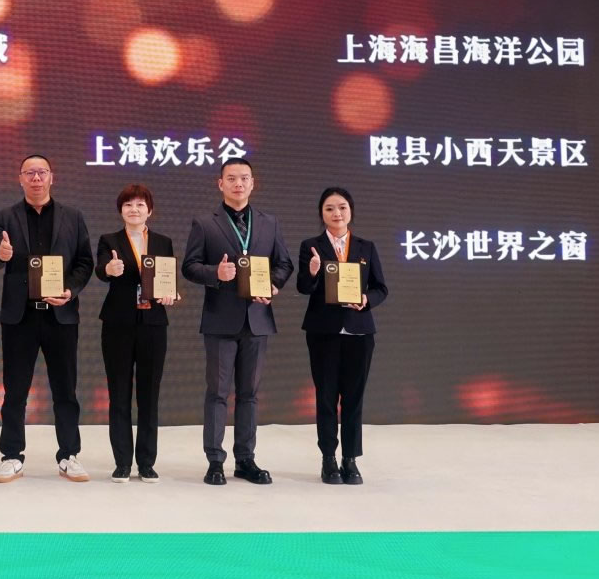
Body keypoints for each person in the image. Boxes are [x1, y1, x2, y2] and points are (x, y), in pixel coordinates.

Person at [181, 158, 293, 486]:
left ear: (253, 183)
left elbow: (284, 264)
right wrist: (215, 273)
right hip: (221, 319)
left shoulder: (269, 223)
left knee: (249, 394)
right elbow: (189, 266)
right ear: (220, 184)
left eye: (244, 178)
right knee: (217, 392)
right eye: (231, 178)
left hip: (257, 319)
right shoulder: (205, 223)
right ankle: (215, 461)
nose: (238, 184)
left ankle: (246, 459)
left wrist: (273, 284)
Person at [0, 155, 95, 483]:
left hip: (59, 315)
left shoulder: (73, 217)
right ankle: (11, 456)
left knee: (65, 391)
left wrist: (70, 290)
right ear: (20, 178)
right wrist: (0, 254)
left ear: (51, 177)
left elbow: (85, 262)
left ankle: (69, 455)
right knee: (15, 391)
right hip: (19, 317)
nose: (36, 178)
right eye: (29, 173)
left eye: (41, 172)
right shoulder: (5, 216)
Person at [296, 186, 389, 485]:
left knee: (354, 398)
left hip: (359, 332)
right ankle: (328, 459)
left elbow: (381, 288)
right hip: (323, 331)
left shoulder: (366, 247)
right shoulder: (311, 246)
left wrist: (366, 299)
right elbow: (303, 287)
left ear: (351, 211)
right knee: (326, 397)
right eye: (330, 208)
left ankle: (350, 459)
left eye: (342, 207)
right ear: (321, 214)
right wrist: (312, 272)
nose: (336, 213)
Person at [95, 183, 179, 483]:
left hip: (153, 324)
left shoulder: (163, 242)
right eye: (128, 204)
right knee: (118, 393)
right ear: (121, 210)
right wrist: (110, 270)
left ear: (149, 210)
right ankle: (122, 463)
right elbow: (100, 269)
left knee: (149, 394)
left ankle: (146, 462)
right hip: (118, 324)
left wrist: (171, 294)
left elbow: (168, 280)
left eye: (140, 205)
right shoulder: (109, 240)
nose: (134, 209)